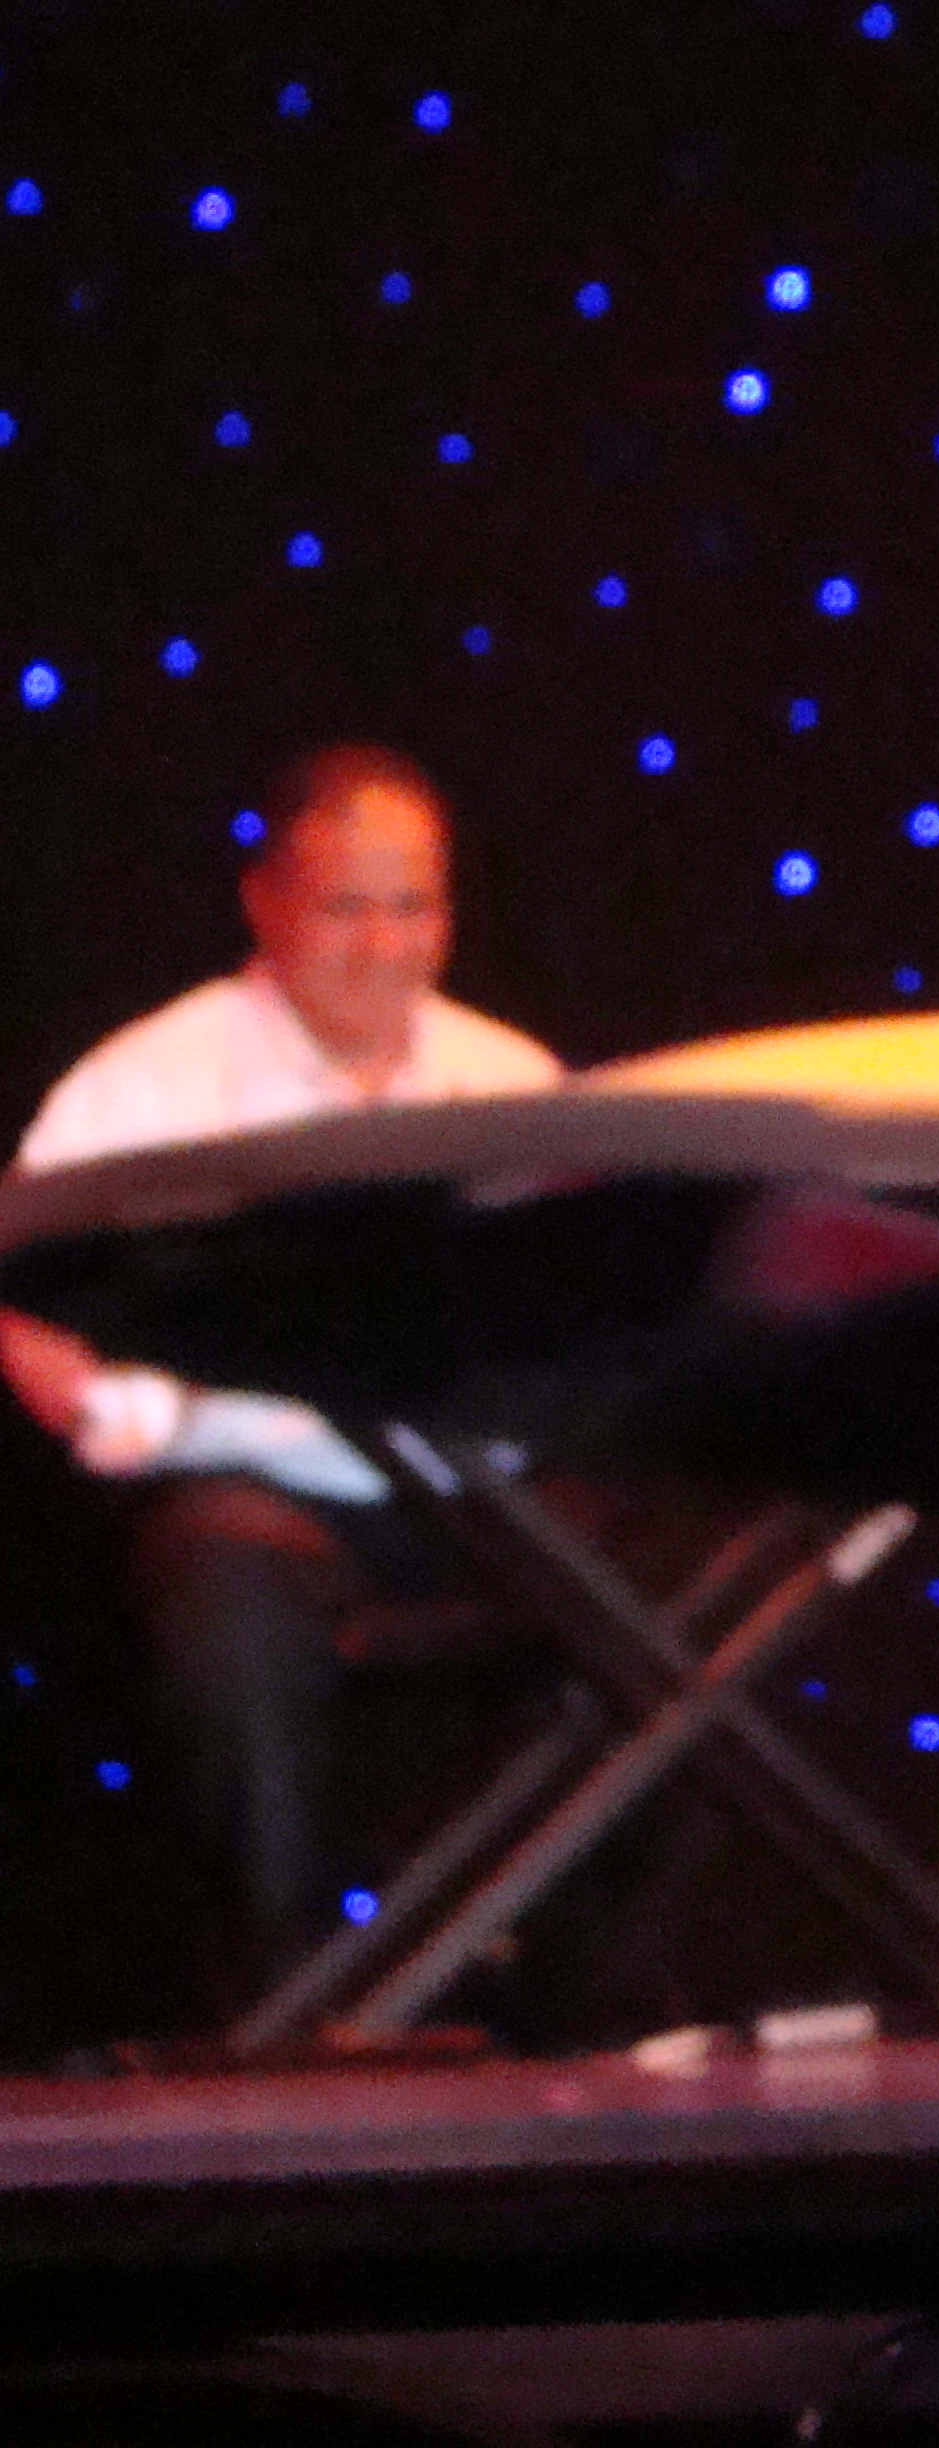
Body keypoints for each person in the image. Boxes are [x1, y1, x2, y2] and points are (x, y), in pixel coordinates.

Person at [0, 744, 560, 1990]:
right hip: (264, 1500)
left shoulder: (513, 1079)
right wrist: (119, 1408)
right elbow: (20, 1289)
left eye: (413, 906)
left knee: (700, 1595)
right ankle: (285, 2005)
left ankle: (568, 1995)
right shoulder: (155, 1081)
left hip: (494, 1497)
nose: (385, 944)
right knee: (229, 1624)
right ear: (265, 904)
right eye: (346, 907)